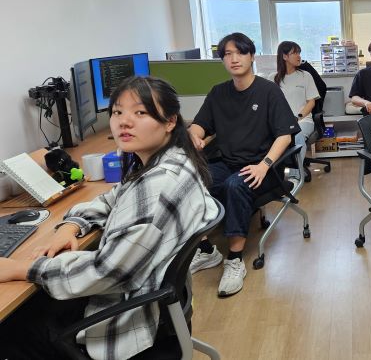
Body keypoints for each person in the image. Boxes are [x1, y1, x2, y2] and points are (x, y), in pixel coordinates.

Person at [0, 76, 219, 359]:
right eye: (117, 112)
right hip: (153, 309)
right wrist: (71, 226)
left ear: (170, 121)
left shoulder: (158, 186)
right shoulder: (170, 161)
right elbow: (111, 199)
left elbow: (107, 272)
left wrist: (21, 269)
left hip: (127, 324)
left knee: (11, 325)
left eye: (140, 112)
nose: (124, 122)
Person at [188, 32, 299, 297]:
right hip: (227, 162)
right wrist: (194, 135)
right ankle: (206, 249)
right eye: (228, 54)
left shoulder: (268, 91)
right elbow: (199, 125)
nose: (234, 59)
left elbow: (285, 135)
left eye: (240, 52)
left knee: (235, 184)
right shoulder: (218, 93)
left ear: (252, 56)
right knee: (190, 179)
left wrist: (264, 164)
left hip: (264, 168)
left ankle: (235, 259)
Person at [272, 41, 320, 182]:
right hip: (281, 123)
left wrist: (298, 117)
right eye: (295, 53)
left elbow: (311, 102)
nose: (299, 56)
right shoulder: (273, 78)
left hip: (303, 120)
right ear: (284, 56)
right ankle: (272, 175)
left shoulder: (305, 76)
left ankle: (295, 174)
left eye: (299, 52)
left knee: (297, 137)